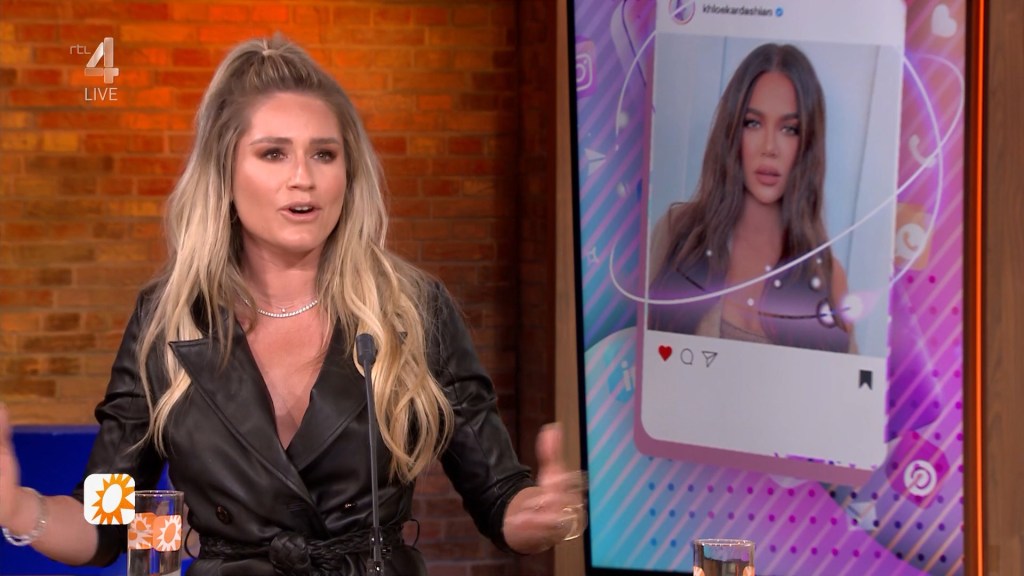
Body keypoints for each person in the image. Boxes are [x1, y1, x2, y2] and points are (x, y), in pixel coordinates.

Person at [0, 34, 585, 575]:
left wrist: (537, 515)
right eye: (274, 154)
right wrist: (19, 508)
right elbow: (106, 521)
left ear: (348, 174)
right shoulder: (167, 319)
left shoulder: (412, 310)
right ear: (225, 173)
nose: (303, 178)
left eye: (324, 154)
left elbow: (498, 497)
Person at [647, 43, 854, 353]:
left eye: (790, 129)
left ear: (807, 144)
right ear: (733, 131)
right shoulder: (677, 234)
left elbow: (849, 382)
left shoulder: (829, 278)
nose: (769, 147)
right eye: (753, 123)